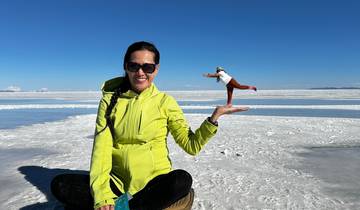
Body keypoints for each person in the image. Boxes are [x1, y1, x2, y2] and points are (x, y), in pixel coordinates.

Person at [51, 41, 248, 210]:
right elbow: (101, 149)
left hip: (154, 183)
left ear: (157, 69)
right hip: (117, 182)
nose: (140, 72)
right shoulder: (110, 100)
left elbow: (191, 145)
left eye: (148, 67)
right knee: (60, 184)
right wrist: (102, 194)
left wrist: (213, 119)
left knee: (181, 180)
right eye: (133, 66)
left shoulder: (165, 102)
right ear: (125, 66)